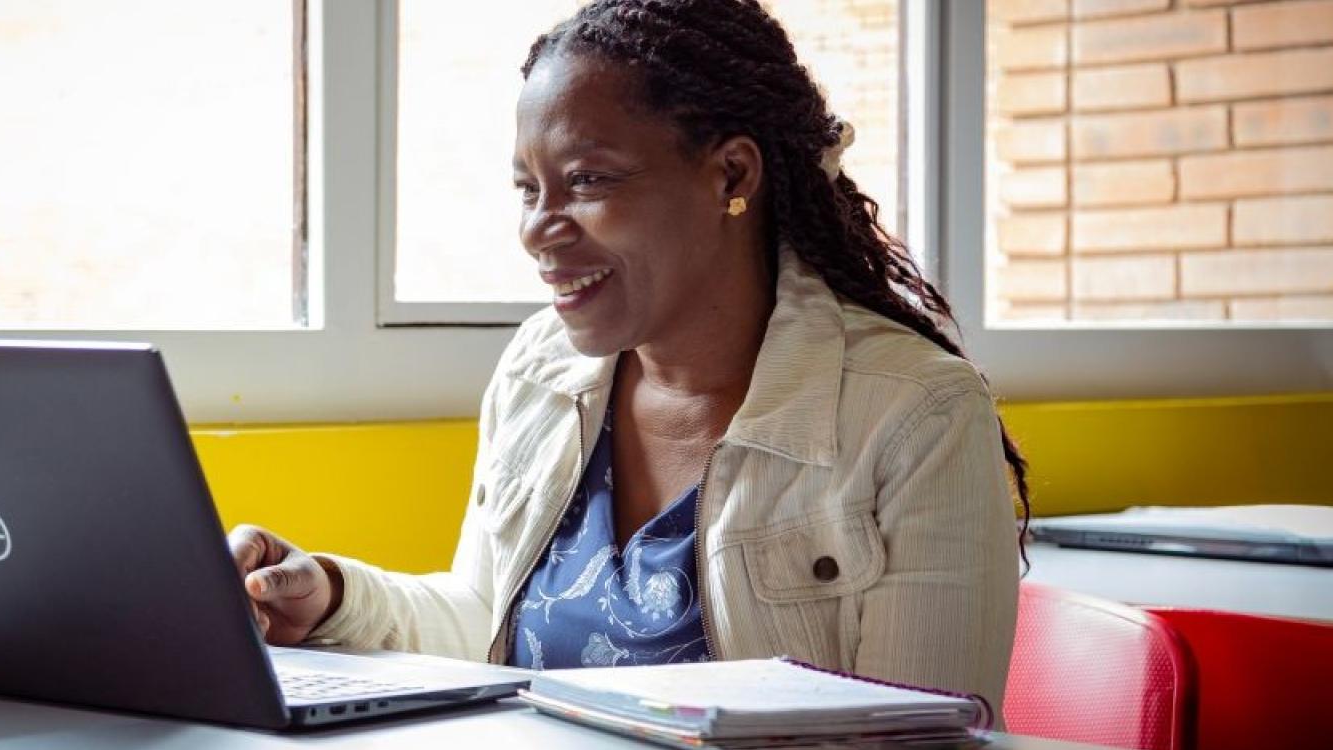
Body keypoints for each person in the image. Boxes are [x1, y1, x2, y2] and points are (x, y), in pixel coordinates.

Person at [229, 0, 1027, 710]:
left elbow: (916, 733)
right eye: (528, 189)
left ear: (731, 174)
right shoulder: (541, 369)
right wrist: (331, 597)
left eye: (586, 181)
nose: (537, 230)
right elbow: (485, 617)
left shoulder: (915, 415)